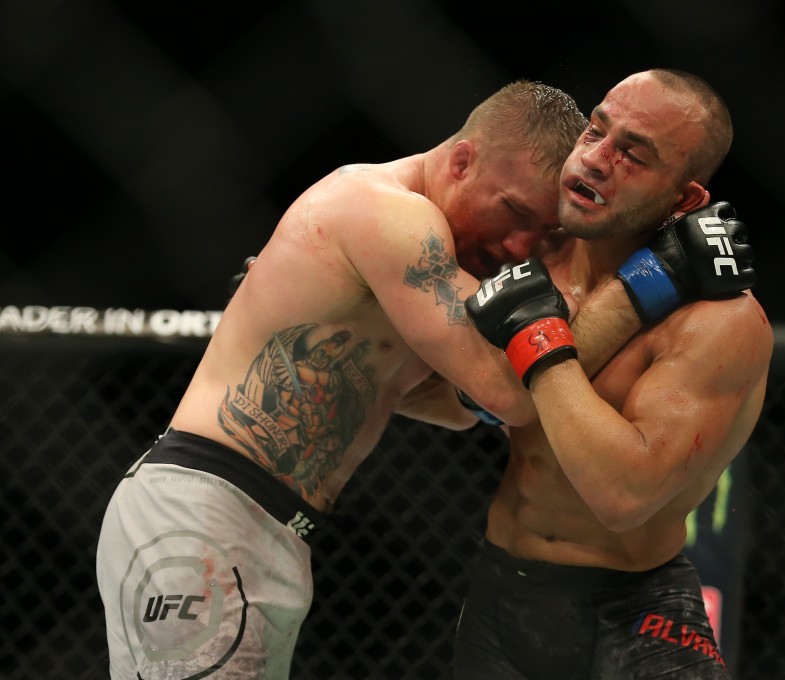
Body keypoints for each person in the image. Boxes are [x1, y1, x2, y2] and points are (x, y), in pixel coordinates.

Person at [94, 80, 592, 679]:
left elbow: (453, 403)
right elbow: (509, 391)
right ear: (463, 160)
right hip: (209, 509)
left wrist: (496, 386)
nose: (520, 245)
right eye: (515, 212)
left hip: (269, 524)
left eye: (542, 233)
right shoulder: (389, 213)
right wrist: (640, 286)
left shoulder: (416, 256)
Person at [455, 68, 773, 679]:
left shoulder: (720, 323)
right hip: (499, 591)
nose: (597, 160)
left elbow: (624, 496)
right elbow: (464, 398)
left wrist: (539, 340)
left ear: (685, 200)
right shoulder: (525, 247)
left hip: (634, 609)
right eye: (595, 131)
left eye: (633, 155)